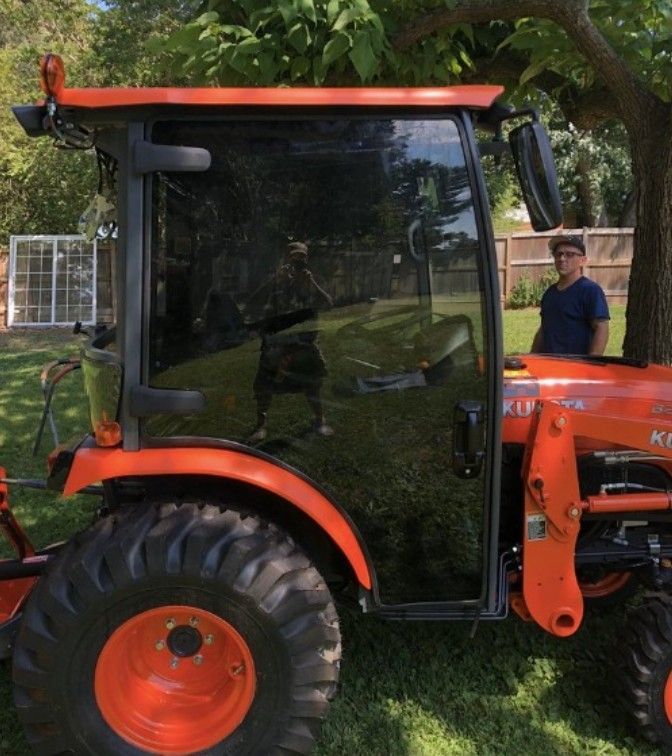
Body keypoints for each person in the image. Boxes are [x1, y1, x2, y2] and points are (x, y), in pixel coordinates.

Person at [247, 241, 333, 443]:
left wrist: (312, 284)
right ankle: (261, 425)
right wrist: (274, 281)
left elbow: (328, 305)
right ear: (286, 259)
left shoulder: (312, 281)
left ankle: (320, 420)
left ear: (307, 259)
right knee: (264, 386)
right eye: (294, 258)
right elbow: (253, 302)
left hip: (304, 344)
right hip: (277, 344)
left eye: (301, 258)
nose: (298, 263)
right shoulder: (277, 282)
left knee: (312, 384)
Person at [531, 234, 609, 355]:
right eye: (558, 254)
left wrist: (591, 364)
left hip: (575, 368)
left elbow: (601, 328)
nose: (562, 258)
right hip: (549, 366)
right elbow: (543, 330)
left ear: (582, 260)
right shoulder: (549, 293)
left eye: (570, 254)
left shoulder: (590, 291)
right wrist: (533, 358)